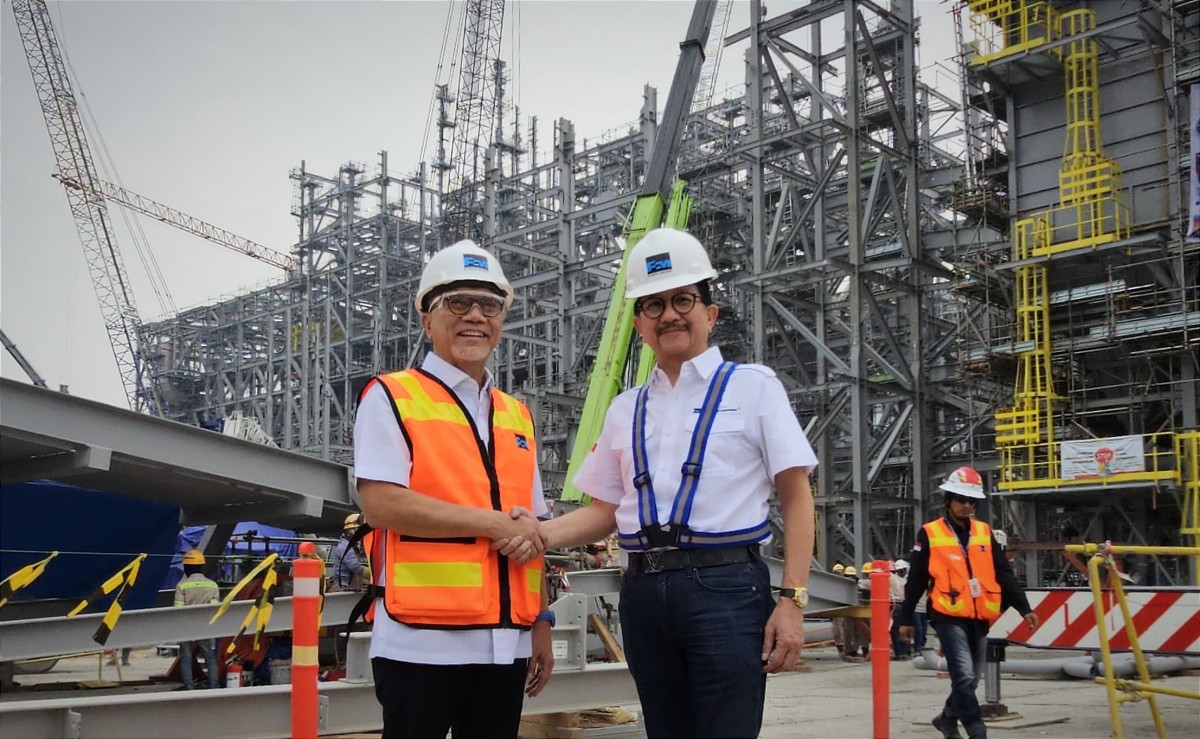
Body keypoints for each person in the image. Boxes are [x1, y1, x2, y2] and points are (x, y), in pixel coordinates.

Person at [524, 227, 818, 737]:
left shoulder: (754, 388)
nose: (669, 315)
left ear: (710, 312)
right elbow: (604, 510)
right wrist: (536, 533)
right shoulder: (624, 409)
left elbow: (797, 498)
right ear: (639, 323)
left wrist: (791, 601)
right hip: (642, 591)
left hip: (725, 588)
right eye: (653, 305)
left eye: (683, 299)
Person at [353, 239, 554, 739]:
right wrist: (490, 524)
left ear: (501, 322)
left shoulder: (516, 414)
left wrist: (542, 620)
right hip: (420, 641)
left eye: (489, 305)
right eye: (458, 302)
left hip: (505, 641)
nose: (475, 317)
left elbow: (536, 525)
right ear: (427, 319)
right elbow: (380, 503)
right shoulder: (390, 396)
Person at [897, 467, 1040, 739]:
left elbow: (1003, 573)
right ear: (948, 499)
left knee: (972, 679)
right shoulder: (930, 533)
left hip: (980, 615)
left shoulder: (985, 533)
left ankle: (947, 718)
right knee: (963, 675)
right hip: (946, 614)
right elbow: (916, 579)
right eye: (961, 499)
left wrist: (1025, 608)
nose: (966, 506)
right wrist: (905, 619)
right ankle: (977, 732)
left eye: (971, 501)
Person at [174, 549, 220, 690]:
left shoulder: (182, 586)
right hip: (205, 626)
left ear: (187, 567)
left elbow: (178, 610)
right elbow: (214, 609)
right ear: (201, 566)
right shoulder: (212, 585)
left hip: (187, 626)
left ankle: (189, 688)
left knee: (186, 659)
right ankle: (214, 687)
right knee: (210, 658)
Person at [330, 513, 369, 591]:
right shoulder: (344, 547)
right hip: (343, 587)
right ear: (349, 531)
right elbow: (355, 566)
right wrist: (371, 574)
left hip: (351, 586)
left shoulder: (354, 546)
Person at [889, 559, 910, 659]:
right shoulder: (895, 579)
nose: (901, 572)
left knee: (899, 630)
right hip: (899, 605)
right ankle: (901, 653)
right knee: (898, 630)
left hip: (899, 605)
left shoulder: (900, 579)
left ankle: (902, 652)